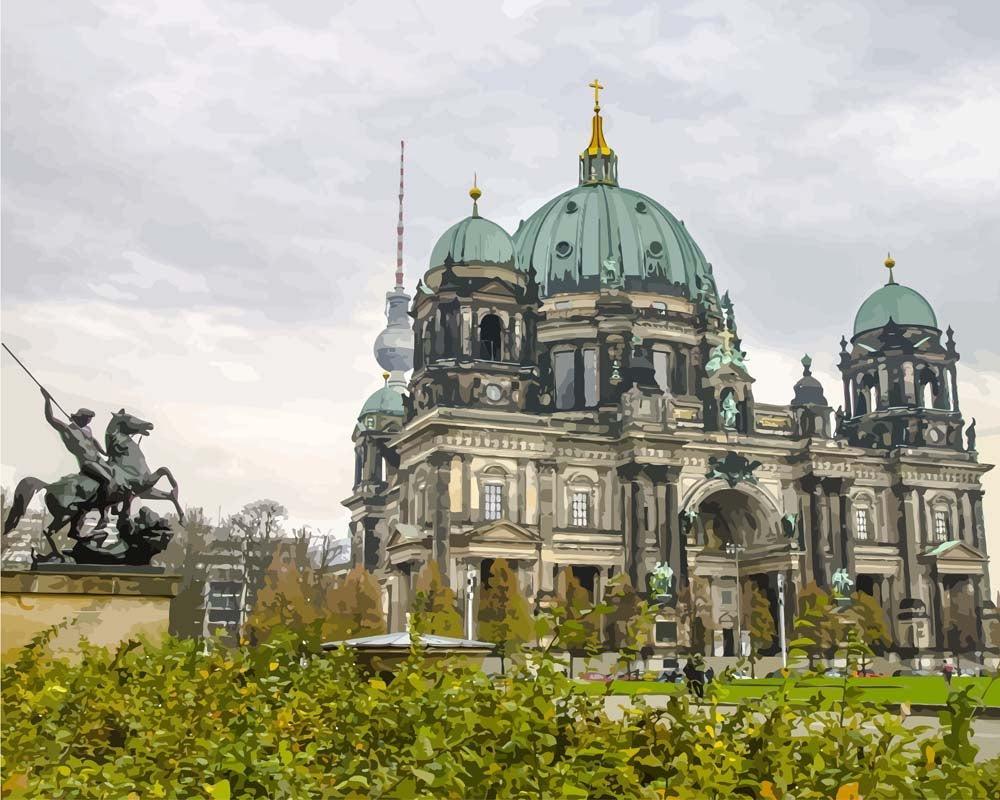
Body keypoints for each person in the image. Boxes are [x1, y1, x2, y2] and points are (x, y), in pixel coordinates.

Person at [41, 387, 116, 529]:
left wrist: (104, 453)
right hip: (87, 463)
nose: (89, 422)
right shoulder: (68, 429)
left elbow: (93, 441)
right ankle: (103, 516)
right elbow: (50, 419)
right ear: (81, 418)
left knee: (116, 476)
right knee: (106, 480)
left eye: (90, 420)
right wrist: (47, 400)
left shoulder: (86, 430)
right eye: (87, 419)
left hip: (98, 459)